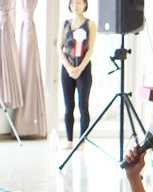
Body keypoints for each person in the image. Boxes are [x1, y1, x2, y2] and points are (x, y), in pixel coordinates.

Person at [58, 0, 96, 150]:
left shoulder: (90, 25)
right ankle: (69, 140)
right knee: (69, 106)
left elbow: (90, 49)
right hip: (67, 68)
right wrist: (68, 67)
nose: (76, 6)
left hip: (83, 68)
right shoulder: (65, 24)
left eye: (79, 2)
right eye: (73, 2)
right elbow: (59, 48)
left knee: (83, 105)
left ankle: (83, 139)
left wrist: (79, 68)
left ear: (85, 5)